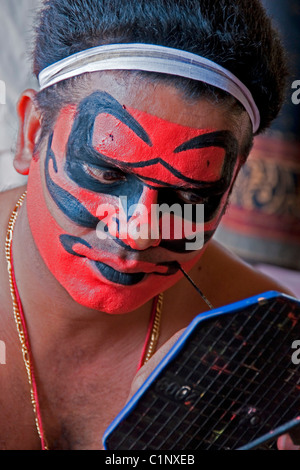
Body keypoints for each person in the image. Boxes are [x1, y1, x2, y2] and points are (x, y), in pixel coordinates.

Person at [0, 0, 297, 450]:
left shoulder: (260, 342)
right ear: (30, 135)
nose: (138, 232)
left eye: (191, 197)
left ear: (231, 184)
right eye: (107, 174)